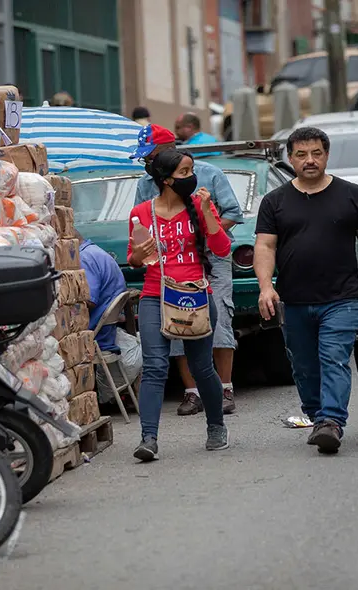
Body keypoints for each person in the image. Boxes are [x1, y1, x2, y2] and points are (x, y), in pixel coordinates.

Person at [254, 126, 358, 454]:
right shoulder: (274, 201)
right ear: (290, 158)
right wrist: (266, 288)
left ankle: (332, 423)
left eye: (316, 153)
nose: (309, 160)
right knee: (304, 365)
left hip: (341, 298)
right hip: (294, 300)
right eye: (301, 154)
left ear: (326, 155)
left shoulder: (352, 194)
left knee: (334, 358)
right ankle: (317, 414)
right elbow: (265, 247)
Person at [126, 149, 232, 461]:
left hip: (195, 294)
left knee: (201, 367)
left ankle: (216, 426)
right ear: (166, 179)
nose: (192, 177)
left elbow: (222, 248)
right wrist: (138, 254)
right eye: (185, 173)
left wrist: (208, 212)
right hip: (154, 294)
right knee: (155, 365)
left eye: (191, 171)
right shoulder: (142, 212)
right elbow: (135, 261)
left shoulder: (200, 207)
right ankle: (149, 438)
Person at [131, 124, 243, 414]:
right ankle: (192, 392)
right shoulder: (145, 184)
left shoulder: (209, 174)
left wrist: (203, 232)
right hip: (170, 265)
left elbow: (232, 213)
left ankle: (225, 389)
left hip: (210, 261)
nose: (147, 162)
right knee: (175, 322)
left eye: (151, 155)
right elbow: (140, 228)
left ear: (168, 150)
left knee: (215, 320)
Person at [78, 231, 128, 352]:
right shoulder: (94, 251)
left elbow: (89, 300)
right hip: (106, 331)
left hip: (97, 334)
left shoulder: (84, 257)